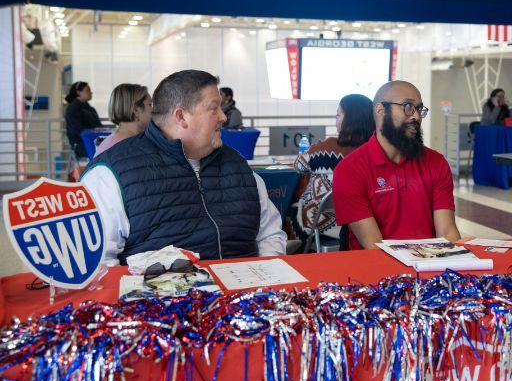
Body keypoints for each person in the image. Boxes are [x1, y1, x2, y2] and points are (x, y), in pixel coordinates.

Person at [81, 70, 286, 265]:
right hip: (161, 300)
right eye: (214, 108)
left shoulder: (238, 166)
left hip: (248, 296)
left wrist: (265, 277)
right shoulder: (110, 174)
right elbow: (99, 264)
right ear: (181, 117)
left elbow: (270, 234)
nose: (223, 117)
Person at [332, 80, 461, 250]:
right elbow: (374, 247)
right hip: (377, 271)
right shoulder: (349, 170)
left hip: (431, 266)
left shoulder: (436, 162)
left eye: (419, 109)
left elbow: (447, 233)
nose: (416, 116)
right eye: (408, 106)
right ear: (380, 110)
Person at [294, 94, 375, 242]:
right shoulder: (374, 152)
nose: (335, 119)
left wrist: (315, 147)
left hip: (316, 223)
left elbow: (299, 165)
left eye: (338, 115)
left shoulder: (326, 148)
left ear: (350, 120)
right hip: (363, 225)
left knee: (289, 213)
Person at [94, 84, 152, 157]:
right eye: (150, 104)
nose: (153, 110)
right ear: (136, 110)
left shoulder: (110, 142)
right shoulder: (132, 147)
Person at [64, 81, 102, 159]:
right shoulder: (73, 108)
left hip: (93, 141)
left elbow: (99, 126)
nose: (91, 92)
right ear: (78, 92)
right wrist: (94, 131)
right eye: (87, 90)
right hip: (81, 144)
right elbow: (76, 130)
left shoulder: (90, 109)